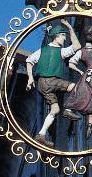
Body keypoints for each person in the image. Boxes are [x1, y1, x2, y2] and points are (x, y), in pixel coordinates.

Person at [25, 18, 83, 148]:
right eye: (62, 36)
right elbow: (77, 46)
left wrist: (30, 78)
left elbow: (29, 61)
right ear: (56, 37)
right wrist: (70, 28)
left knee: (55, 109)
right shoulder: (61, 52)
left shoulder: (41, 51)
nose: (64, 39)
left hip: (42, 83)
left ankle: (41, 134)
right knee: (75, 87)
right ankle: (67, 109)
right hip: (51, 81)